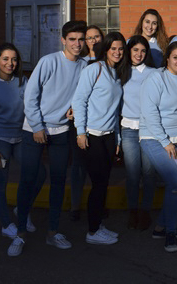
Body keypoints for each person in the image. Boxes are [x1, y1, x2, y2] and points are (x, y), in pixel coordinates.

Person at [8, 20, 88, 257]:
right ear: (63, 40)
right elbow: (30, 97)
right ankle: (20, 233)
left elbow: (84, 94)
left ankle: (53, 232)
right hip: (35, 130)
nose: (77, 43)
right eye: (72, 39)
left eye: (80, 39)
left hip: (61, 131)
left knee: (58, 182)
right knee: (28, 180)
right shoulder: (48, 61)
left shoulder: (85, 65)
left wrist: (75, 107)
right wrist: (37, 126)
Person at [0, 43, 44, 239]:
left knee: (39, 174)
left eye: (14, 59)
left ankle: (22, 209)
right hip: (0, 142)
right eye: (5, 59)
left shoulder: (24, 82)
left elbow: (36, 104)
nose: (10, 63)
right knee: (0, 184)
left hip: (21, 138)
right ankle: (6, 225)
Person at [71, 32, 128, 246]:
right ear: (105, 49)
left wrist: (119, 139)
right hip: (92, 137)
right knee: (98, 184)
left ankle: (97, 225)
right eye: (113, 48)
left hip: (109, 137)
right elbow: (79, 100)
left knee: (103, 184)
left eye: (121, 49)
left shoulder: (117, 72)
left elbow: (115, 111)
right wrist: (80, 132)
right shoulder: (94, 69)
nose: (117, 52)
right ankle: (92, 231)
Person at [139, 42, 177, 253]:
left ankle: (161, 226)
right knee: (175, 183)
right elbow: (149, 112)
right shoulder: (156, 78)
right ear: (167, 59)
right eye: (175, 57)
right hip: (154, 138)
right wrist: (165, 142)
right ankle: (170, 232)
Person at [121, 35, 157, 231]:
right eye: (135, 50)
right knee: (133, 174)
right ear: (129, 51)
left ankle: (145, 211)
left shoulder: (154, 73)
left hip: (149, 130)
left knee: (149, 174)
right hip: (128, 130)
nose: (139, 54)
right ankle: (133, 211)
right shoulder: (121, 71)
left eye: (143, 51)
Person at [70, 25, 103, 220]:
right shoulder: (80, 63)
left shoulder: (108, 62)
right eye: (89, 38)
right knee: (79, 166)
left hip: (101, 124)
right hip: (81, 123)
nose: (93, 41)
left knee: (99, 169)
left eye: (96, 37)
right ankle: (75, 206)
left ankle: (98, 205)